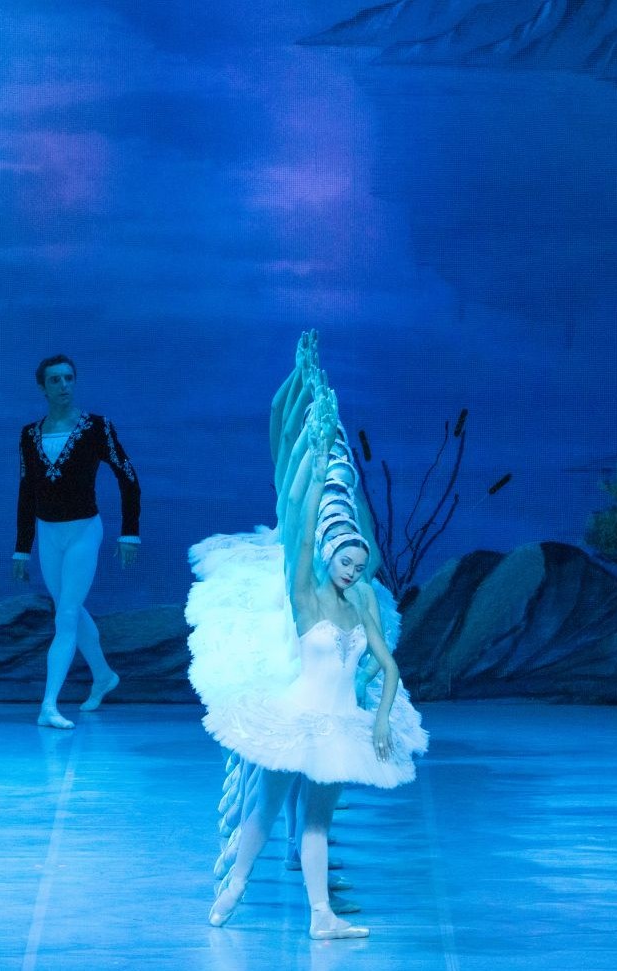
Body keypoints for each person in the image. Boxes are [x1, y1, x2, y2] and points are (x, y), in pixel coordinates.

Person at [187, 334, 427, 940]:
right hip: (296, 714)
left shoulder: (362, 601)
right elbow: (295, 504)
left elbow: (385, 661)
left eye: (360, 563)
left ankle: (322, 916)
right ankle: (235, 883)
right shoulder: (305, 595)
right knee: (266, 806)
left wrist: (379, 716)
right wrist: (314, 462)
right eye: (346, 561)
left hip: (341, 723)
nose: (353, 569)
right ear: (328, 557)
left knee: (318, 821)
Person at [12, 354, 141, 729]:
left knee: (66, 615)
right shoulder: (29, 435)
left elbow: (128, 477)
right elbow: (26, 493)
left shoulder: (97, 427)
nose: (64, 385)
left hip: (84, 531)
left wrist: (129, 533)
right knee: (69, 607)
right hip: (48, 533)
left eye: (69, 378)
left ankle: (48, 705)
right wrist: (21, 548)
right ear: (43, 387)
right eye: (55, 380)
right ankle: (103, 675)